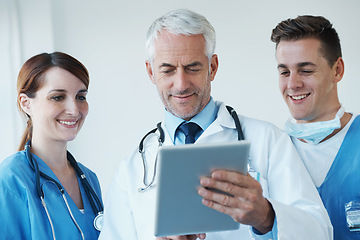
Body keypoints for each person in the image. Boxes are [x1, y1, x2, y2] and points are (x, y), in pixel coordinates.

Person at [100, 9, 332, 240]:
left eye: (193, 68)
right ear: (151, 72)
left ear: (213, 67)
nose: (181, 84)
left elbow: (321, 232)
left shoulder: (268, 141)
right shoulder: (132, 170)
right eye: (168, 69)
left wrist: (267, 217)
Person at [271, 15, 360, 239]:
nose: (292, 84)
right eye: (284, 72)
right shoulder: (269, 153)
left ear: (337, 70)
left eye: (306, 70)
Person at [0, 52, 103, 239]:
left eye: (80, 97)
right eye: (58, 97)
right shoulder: (10, 180)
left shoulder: (89, 180)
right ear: (26, 103)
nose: (74, 110)